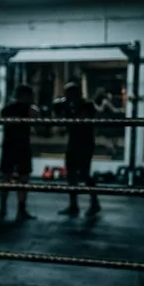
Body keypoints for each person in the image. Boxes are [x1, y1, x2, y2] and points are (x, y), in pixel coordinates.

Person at [52, 82, 100, 216]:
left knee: (84, 174)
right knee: (71, 174)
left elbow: (82, 119)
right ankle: (74, 205)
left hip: (85, 142)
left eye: (70, 94)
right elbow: (62, 117)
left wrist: (68, 112)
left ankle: (94, 202)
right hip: (73, 142)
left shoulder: (86, 105)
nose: (68, 96)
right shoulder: (69, 106)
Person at [0, 84, 39, 219]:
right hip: (21, 146)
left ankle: (3, 208)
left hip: (10, 146)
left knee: (7, 177)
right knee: (21, 178)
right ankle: (19, 209)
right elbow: (37, 127)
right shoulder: (28, 110)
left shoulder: (7, 109)